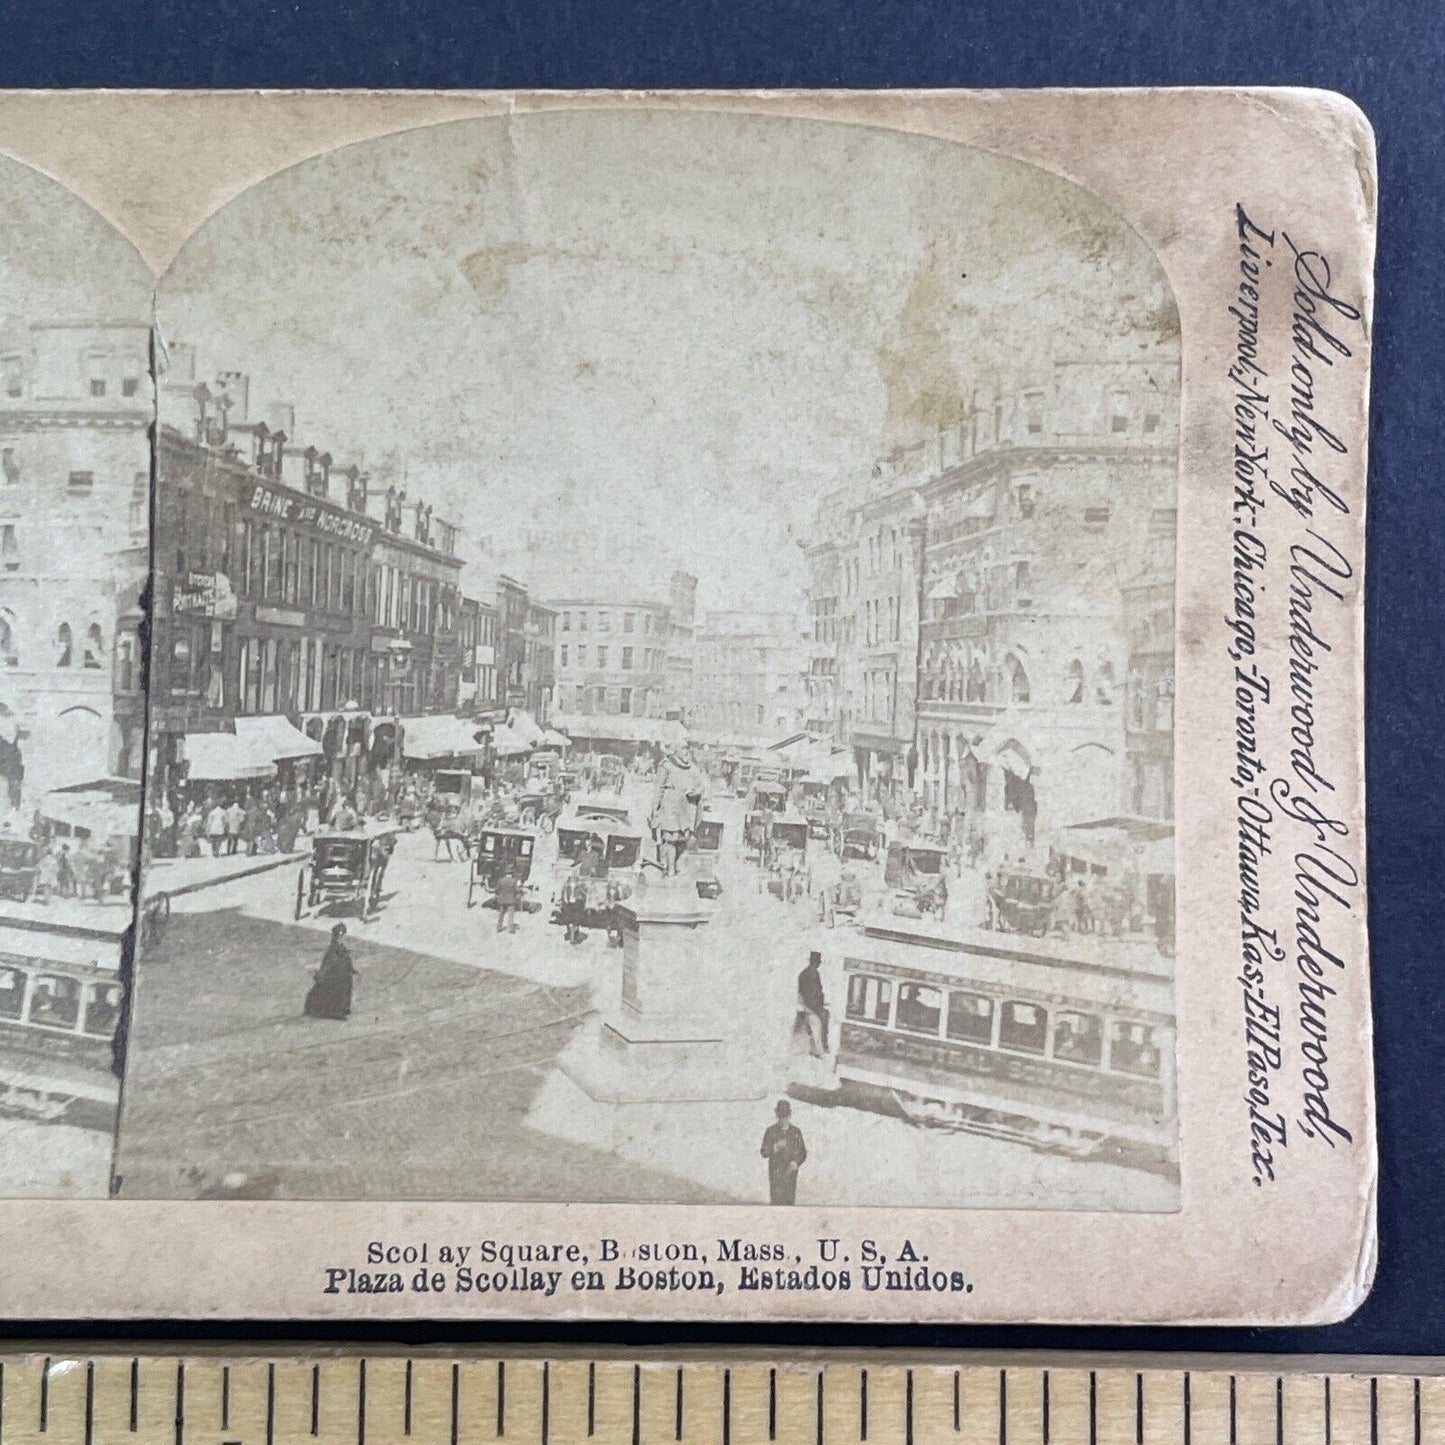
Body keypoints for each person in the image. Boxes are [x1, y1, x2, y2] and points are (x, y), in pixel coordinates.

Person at [304, 924, 356, 1020]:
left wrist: (350, 968)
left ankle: (341, 1008)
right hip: (335, 975)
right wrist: (322, 973)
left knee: (342, 987)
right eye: (340, 935)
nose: (341, 937)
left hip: (341, 973)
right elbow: (328, 962)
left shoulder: (338, 947)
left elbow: (345, 959)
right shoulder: (334, 948)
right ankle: (336, 1011)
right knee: (337, 990)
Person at [760, 1099, 807, 1205]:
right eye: (781, 1117)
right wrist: (775, 1147)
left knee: (789, 1202)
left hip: (790, 1173)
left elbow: (802, 1152)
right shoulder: (771, 1131)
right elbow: (763, 1152)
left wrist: (796, 1162)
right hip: (776, 1173)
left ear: (790, 1115)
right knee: (776, 1202)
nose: (783, 1120)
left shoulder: (796, 1132)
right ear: (777, 1115)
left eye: (785, 1116)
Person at [796, 951, 828, 1057]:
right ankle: (820, 1048)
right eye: (818, 962)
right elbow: (816, 992)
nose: (818, 964)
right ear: (816, 962)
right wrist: (819, 1005)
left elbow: (800, 992)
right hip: (812, 1007)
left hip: (806, 1005)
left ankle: (817, 1048)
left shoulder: (803, 973)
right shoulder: (813, 974)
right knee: (823, 1018)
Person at [494, 866, 521, 934]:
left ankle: (499, 927)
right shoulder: (514, 881)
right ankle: (510, 928)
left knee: (501, 914)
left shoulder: (501, 880)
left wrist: (499, 895)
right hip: (511, 900)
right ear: (511, 874)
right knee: (510, 915)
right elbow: (517, 890)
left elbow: (496, 890)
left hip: (502, 900)